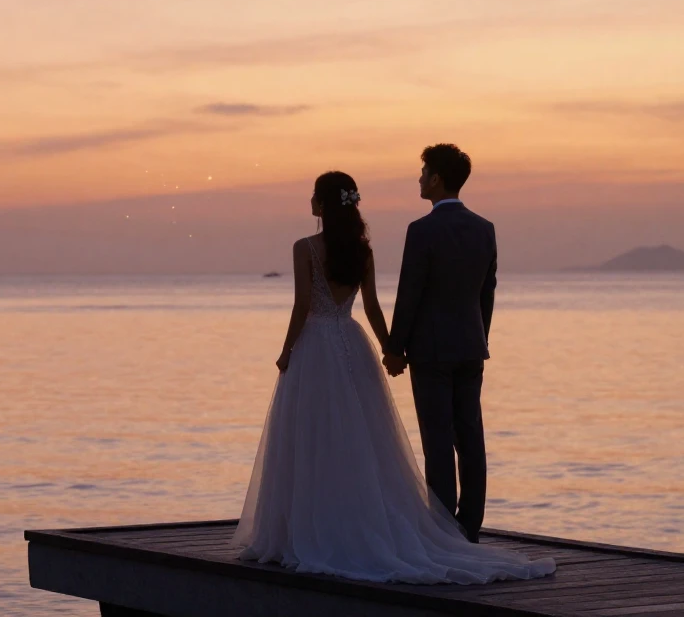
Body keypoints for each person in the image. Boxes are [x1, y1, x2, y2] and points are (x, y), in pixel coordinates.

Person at [234, 169, 553, 584]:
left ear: (325, 205)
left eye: (315, 197)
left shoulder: (305, 248)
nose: (310, 203)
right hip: (352, 342)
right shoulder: (362, 251)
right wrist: (388, 348)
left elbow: (301, 307)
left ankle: (307, 528)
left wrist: (285, 352)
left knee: (312, 437)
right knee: (358, 438)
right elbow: (371, 309)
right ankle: (367, 521)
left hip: (314, 346)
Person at [383, 144, 495, 544]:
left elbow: (410, 292)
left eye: (424, 171)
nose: (419, 178)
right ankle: (471, 525)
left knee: (437, 438)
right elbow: (487, 292)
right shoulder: (485, 228)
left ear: (437, 178)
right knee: (470, 435)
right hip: (470, 345)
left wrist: (395, 348)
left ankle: (444, 528)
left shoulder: (422, 230)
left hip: (431, 350)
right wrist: (480, 334)